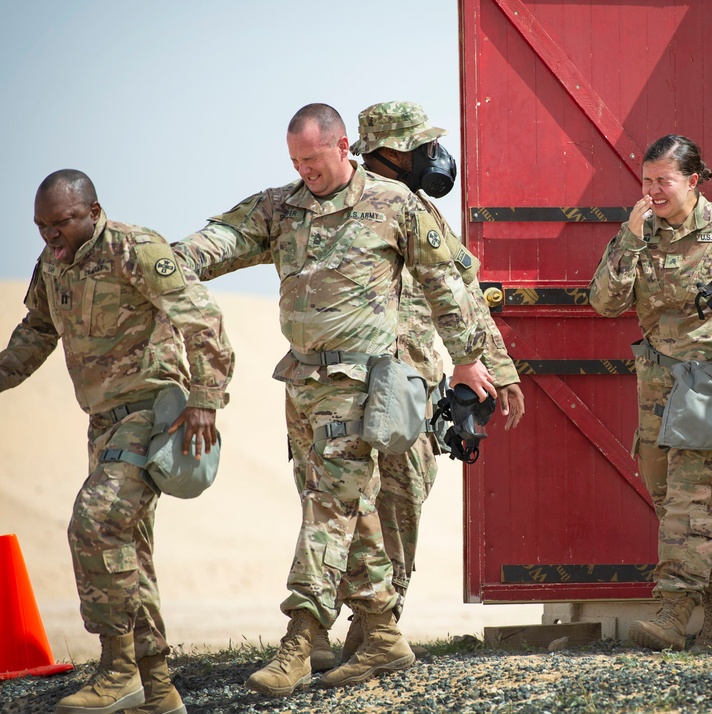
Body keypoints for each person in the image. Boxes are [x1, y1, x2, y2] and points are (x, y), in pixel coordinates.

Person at [171, 103, 494, 695]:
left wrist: (472, 358)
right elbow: (219, 241)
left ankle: (300, 639)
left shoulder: (394, 206)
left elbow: (449, 284)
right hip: (303, 386)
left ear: (344, 146)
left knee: (331, 508)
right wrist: (158, 263)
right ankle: (381, 635)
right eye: (295, 161)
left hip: (366, 388)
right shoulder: (280, 206)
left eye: (313, 160)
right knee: (353, 508)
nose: (305, 171)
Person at [301, 100, 526, 670]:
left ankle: (372, 636)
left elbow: (463, 291)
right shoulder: (330, 208)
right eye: (422, 145)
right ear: (394, 151)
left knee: (397, 506)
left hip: (410, 389)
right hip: (345, 386)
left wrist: (496, 365)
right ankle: (326, 632)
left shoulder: (419, 209)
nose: (435, 157)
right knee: (339, 507)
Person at [0, 170, 234, 714]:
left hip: (153, 415)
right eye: (41, 227)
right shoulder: (52, 267)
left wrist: (205, 397)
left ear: (92, 211)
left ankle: (118, 670)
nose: (51, 236)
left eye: (61, 223)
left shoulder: (136, 250)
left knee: (96, 520)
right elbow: (36, 332)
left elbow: (203, 319)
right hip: (104, 423)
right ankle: (157, 689)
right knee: (130, 552)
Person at [589, 135, 712, 653]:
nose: (652, 191)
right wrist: (630, 239)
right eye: (646, 180)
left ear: (693, 180)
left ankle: (673, 614)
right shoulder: (639, 230)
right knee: (669, 499)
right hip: (657, 384)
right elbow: (604, 303)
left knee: (690, 500)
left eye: (664, 181)